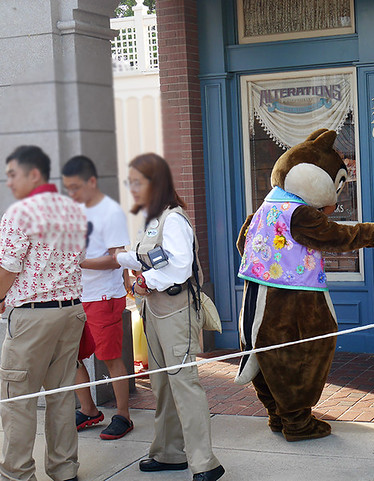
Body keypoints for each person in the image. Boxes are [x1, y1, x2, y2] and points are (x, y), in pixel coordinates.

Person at [115, 153, 224, 481]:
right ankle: (168, 453)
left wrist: (146, 280)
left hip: (175, 311)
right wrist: (120, 258)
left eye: (137, 182)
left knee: (184, 384)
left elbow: (178, 265)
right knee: (163, 384)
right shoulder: (152, 218)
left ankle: (205, 463)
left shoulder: (173, 219)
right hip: (154, 311)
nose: (132, 188)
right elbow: (145, 255)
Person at [0, 146, 87, 481]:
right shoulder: (72, 209)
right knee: (61, 395)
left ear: (33, 174)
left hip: (33, 316)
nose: (9, 182)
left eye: (13, 174)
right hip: (70, 312)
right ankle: (65, 470)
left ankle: (17, 474)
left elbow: (8, 268)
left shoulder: (19, 213)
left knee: (17, 398)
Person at [62, 155, 134, 440]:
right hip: (75, 296)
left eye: (76, 187)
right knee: (73, 357)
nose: (72, 194)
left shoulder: (110, 212)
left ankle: (124, 416)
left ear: (92, 182)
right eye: (68, 188)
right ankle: (89, 410)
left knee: (110, 358)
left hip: (104, 296)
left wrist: (78, 262)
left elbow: (117, 259)